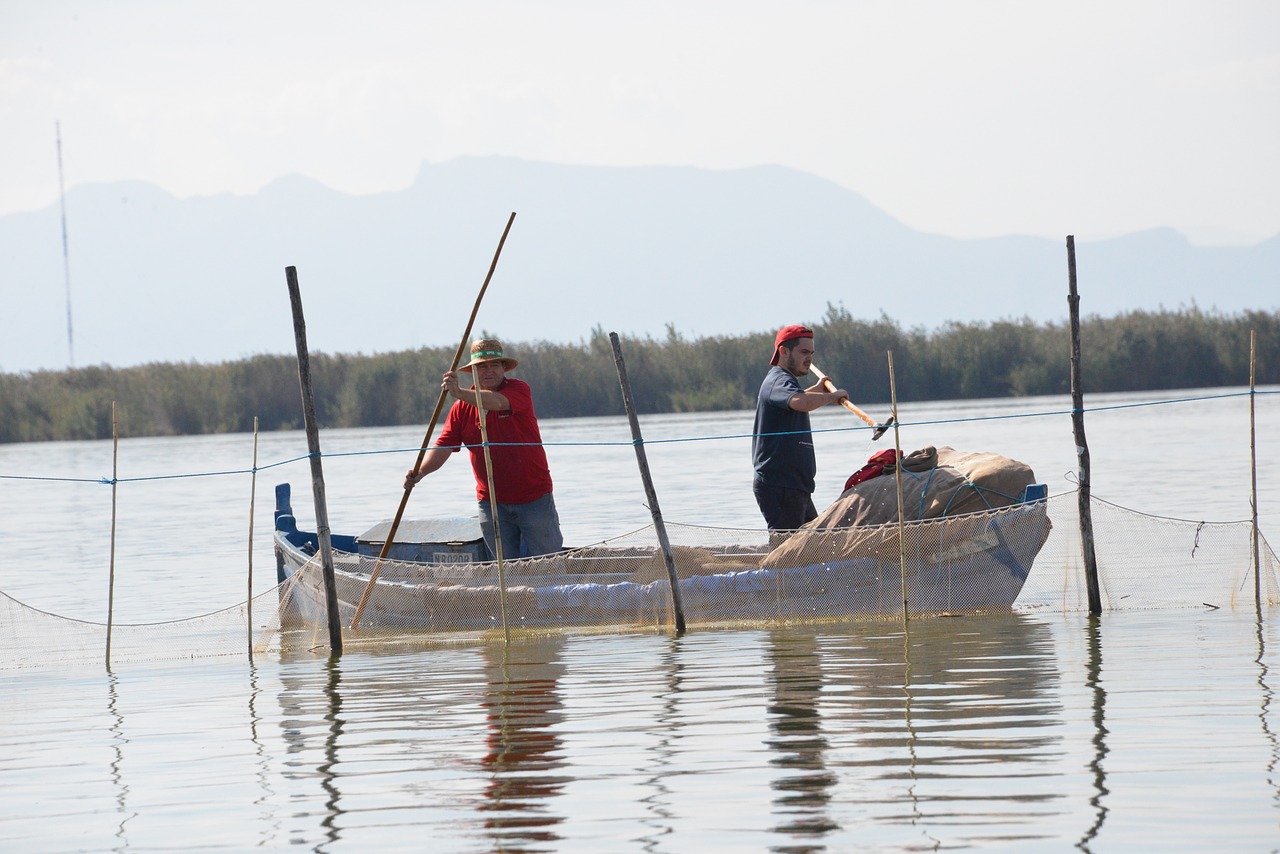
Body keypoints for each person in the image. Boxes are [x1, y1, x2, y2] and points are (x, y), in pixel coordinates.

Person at [405, 338, 564, 559]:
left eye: (494, 365)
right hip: (491, 503)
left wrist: (459, 392)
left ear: (503, 369)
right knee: (503, 569)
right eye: (482, 366)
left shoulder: (519, 389)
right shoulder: (461, 409)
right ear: (473, 371)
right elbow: (444, 445)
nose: (489, 371)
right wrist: (420, 472)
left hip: (534, 497)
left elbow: (497, 402)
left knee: (549, 562)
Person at [752, 324, 849, 533]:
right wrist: (832, 396)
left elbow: (798, 399)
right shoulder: (778, 379)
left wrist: (818, 389)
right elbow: (799, 402)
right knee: (790, 554)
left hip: (795, 486)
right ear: (783, 352)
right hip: (779, 485)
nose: (809, 359)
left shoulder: (787, 383)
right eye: (804, 352)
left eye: (811, 353)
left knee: (812, 546)